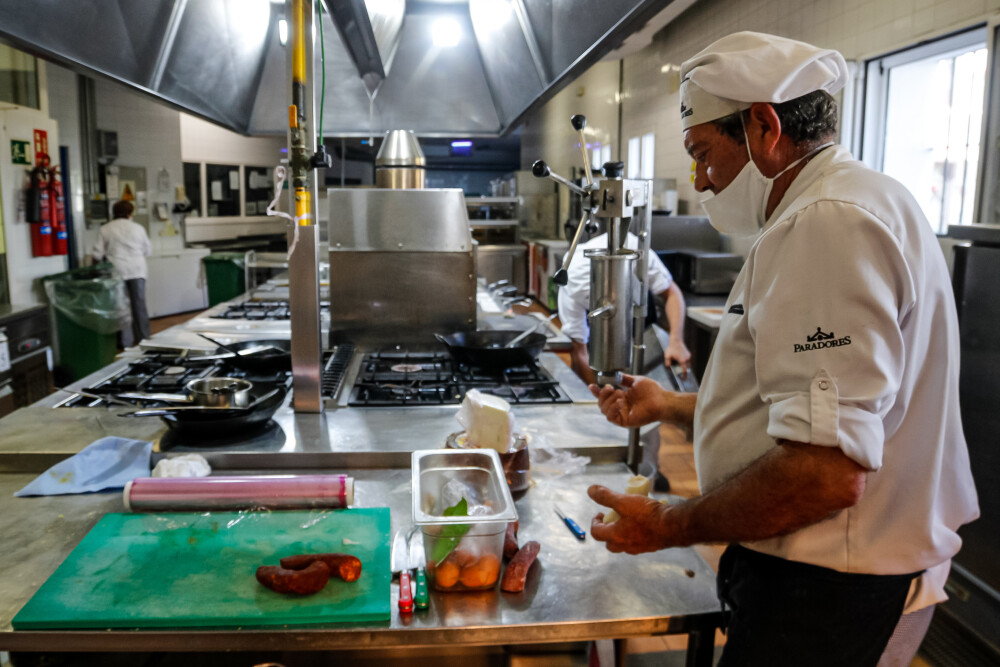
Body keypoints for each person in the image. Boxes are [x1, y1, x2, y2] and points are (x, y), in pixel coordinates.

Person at [586, 32, 979, 667]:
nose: (698, 178)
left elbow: (825, 472)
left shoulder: (828, 221)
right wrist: (673, 405)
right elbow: (810, 412)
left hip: (828, 586)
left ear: (765, 126)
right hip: (830, 575)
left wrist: (667, 525)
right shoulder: (854, 200)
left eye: (703, 153)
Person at [558, 225, 691, 492]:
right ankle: (618, 475)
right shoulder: (573, 278)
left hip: (642, 341)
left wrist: (676, 340)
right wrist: (603, 391)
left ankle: (648, 472)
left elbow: (671, 293)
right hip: (599, 352)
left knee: (649, 422)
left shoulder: (637, 251)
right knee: (609, 424)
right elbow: (579, 350)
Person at [90, 200, 152, 347]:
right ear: (130, 213)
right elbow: (148, 250)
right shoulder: (138, 228)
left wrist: (95, 270)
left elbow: (97, 255)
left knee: (121, 307)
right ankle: (144, 338)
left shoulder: (105, 229)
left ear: (114, 212)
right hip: (137, 270)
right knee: (139, 305)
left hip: (117, 271)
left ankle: (125, 342)